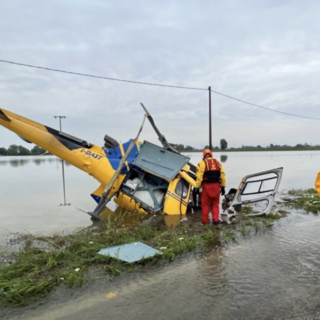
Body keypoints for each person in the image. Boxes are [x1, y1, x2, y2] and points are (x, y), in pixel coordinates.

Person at [195, 148, 226, 224]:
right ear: (211, 155)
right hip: (216, 187)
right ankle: (215, 220)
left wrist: (197, 187)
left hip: (206, 187)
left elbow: (199, 177)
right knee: (215, 204)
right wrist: (223, 186)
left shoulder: (202, 163)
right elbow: (222, 175)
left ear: (204, 156)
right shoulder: (218, 163)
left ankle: (205, 222)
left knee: (205, 205)